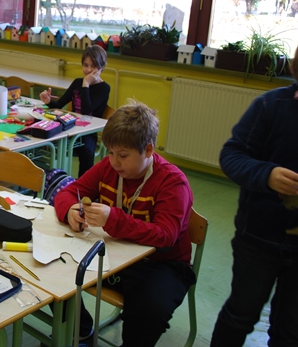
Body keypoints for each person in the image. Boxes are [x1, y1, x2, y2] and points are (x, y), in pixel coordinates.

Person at [53, 100, 195, 346]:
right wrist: (70, 211)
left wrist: (114, 220)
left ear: (148, 150)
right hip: (116, 253)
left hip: (161, 264)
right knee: (54, 271)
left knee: (148, 310)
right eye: (110, 152)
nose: (114, 162)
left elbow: (165, 236)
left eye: (123, 155)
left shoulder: (172, 182)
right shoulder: (108, 168)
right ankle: (82, 330)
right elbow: (67, 193)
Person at [210, 50, 298, 346]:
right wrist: (267, 175)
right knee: (240, 315)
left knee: (290, 328)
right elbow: (231, 155)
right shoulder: (270, 106)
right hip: (259, 238)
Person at [39, 45, 110, 177]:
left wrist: (86, 84)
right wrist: (48, 101)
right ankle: (53, 179)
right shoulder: (77, 82)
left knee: (87, 152)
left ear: (101, 67)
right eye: (85, 65)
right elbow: (60, 104)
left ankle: (83, 184)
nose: (88, 70)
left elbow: (86, 111)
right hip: (70, 128)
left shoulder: (104, 88)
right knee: (45, 141)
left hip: (88, 132)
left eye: (93, 66)